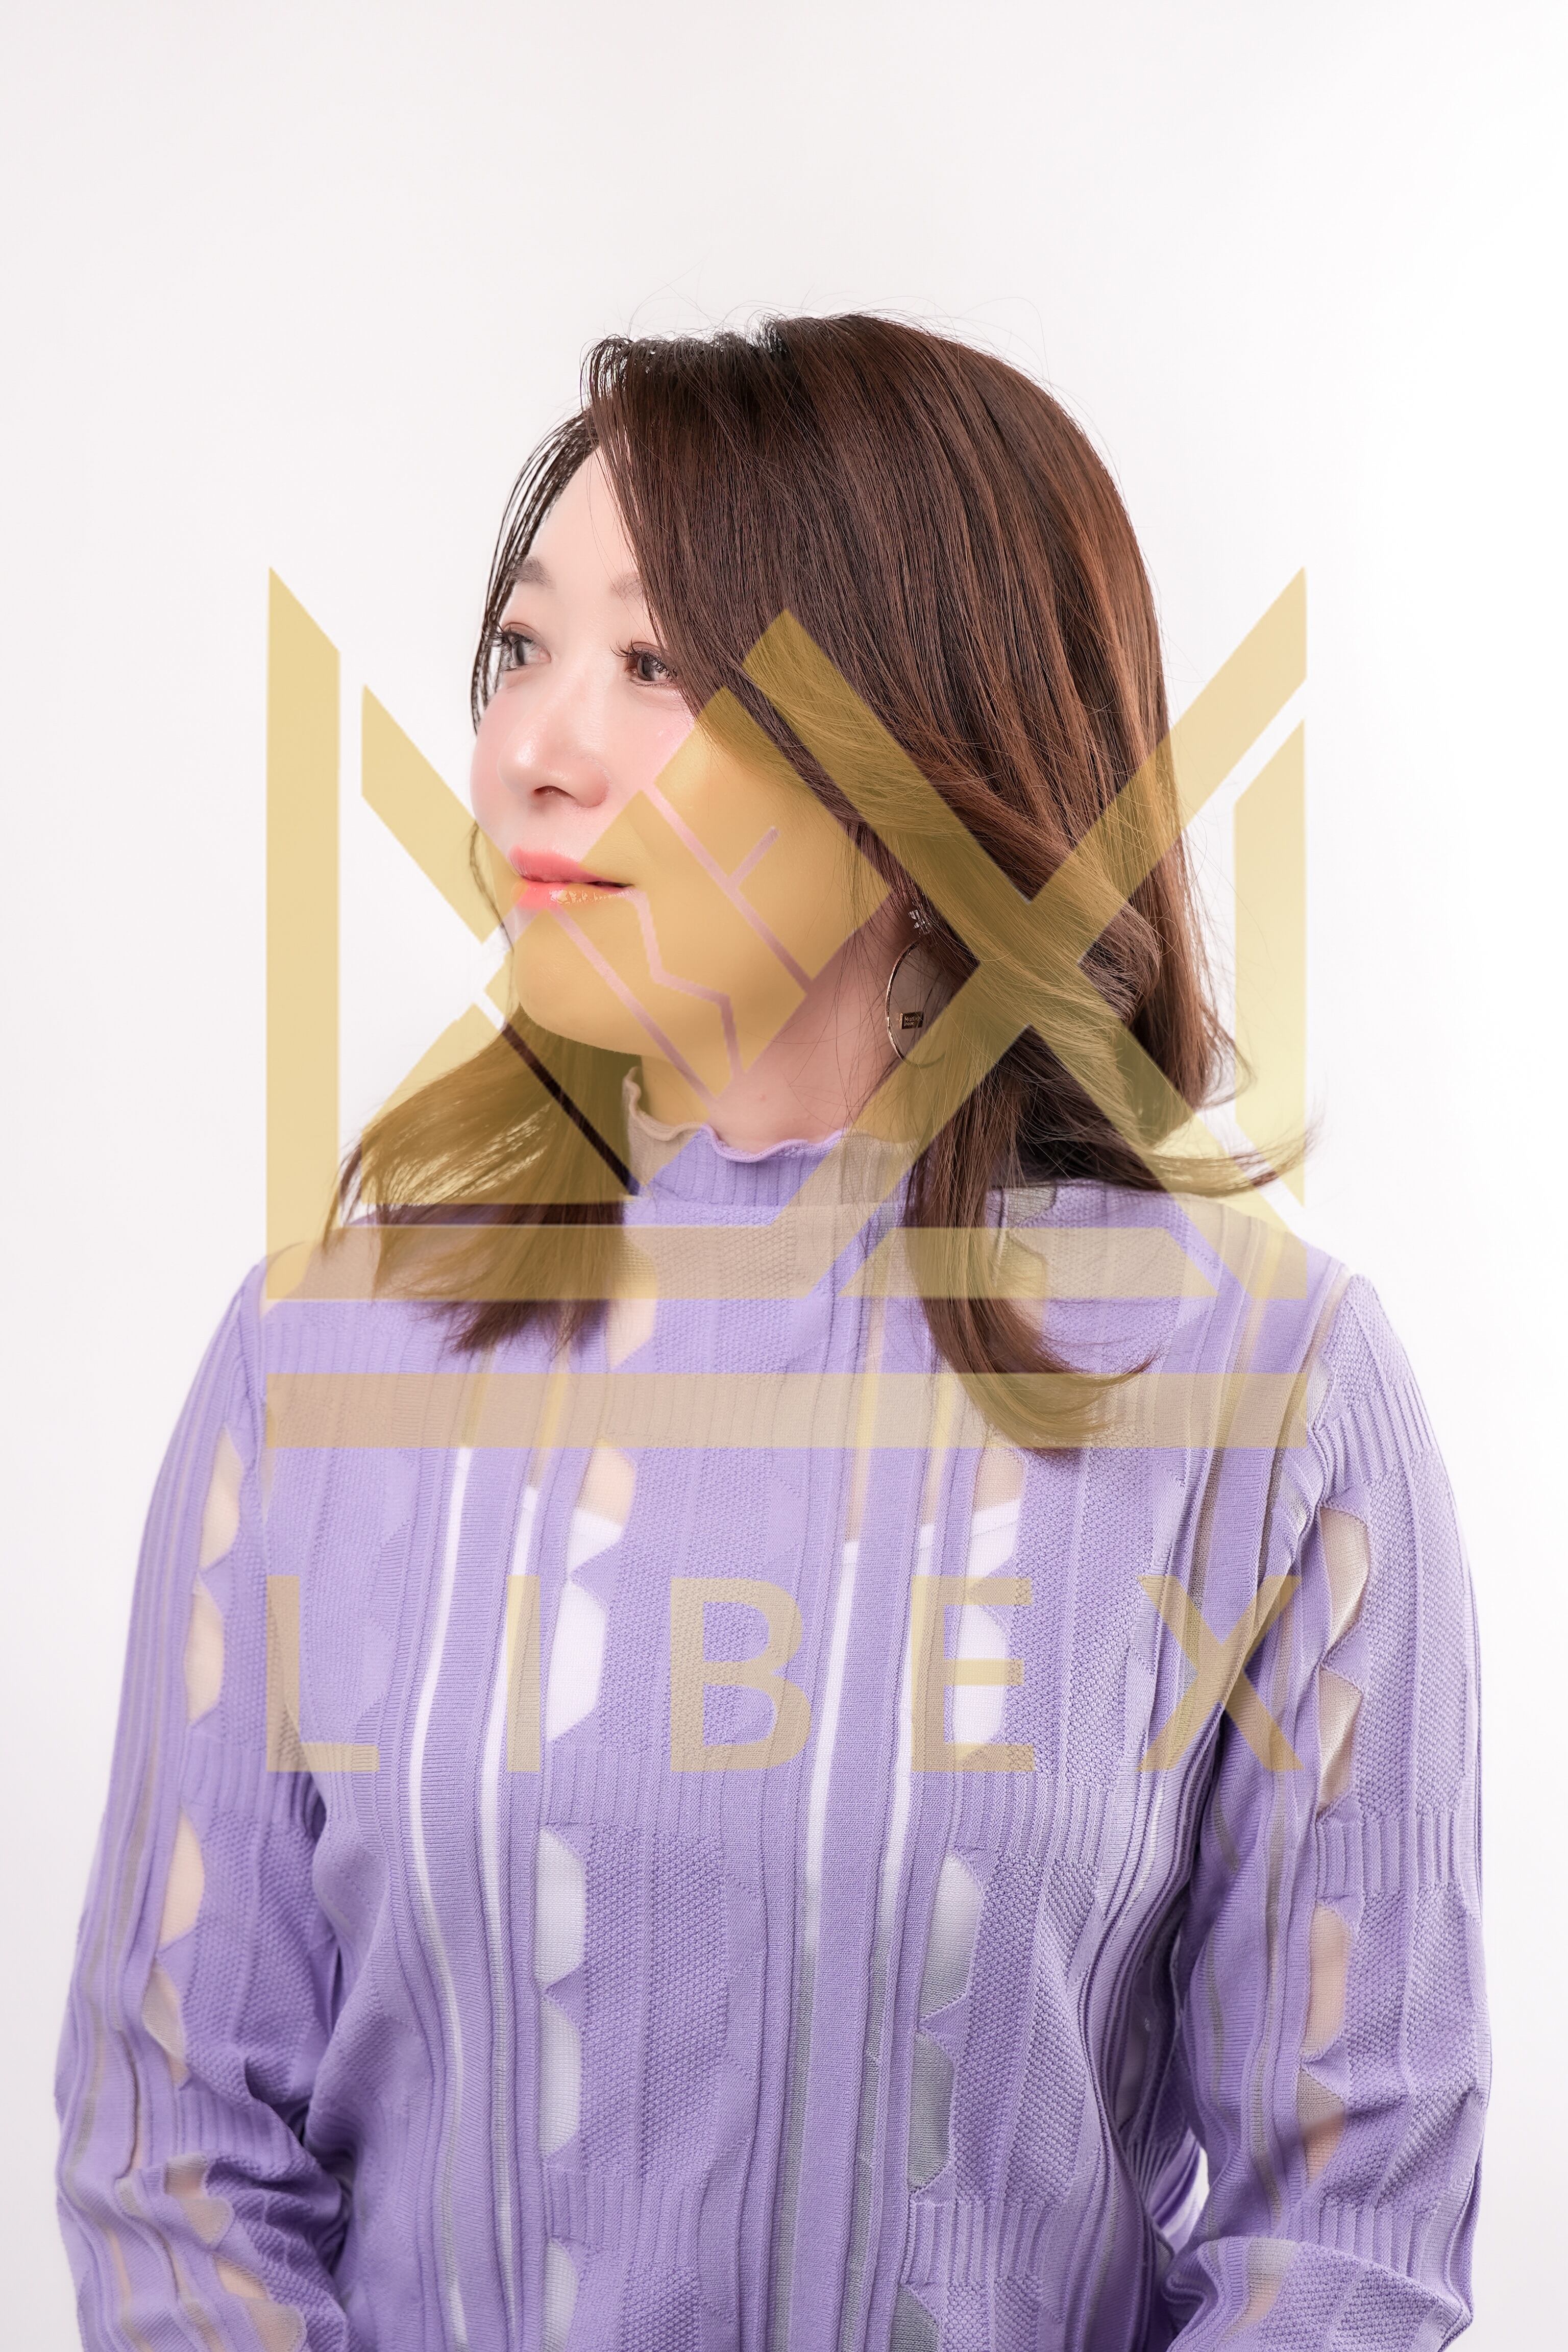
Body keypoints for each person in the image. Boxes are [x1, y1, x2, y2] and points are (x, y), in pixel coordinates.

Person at [55, 315, 1488, 2351]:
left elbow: (1344, 2231)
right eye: (521, 648)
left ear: (920, 763)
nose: (532, 750)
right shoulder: (319, 1365)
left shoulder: (1271, 1398)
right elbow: (176, 2150)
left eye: (657, 665)